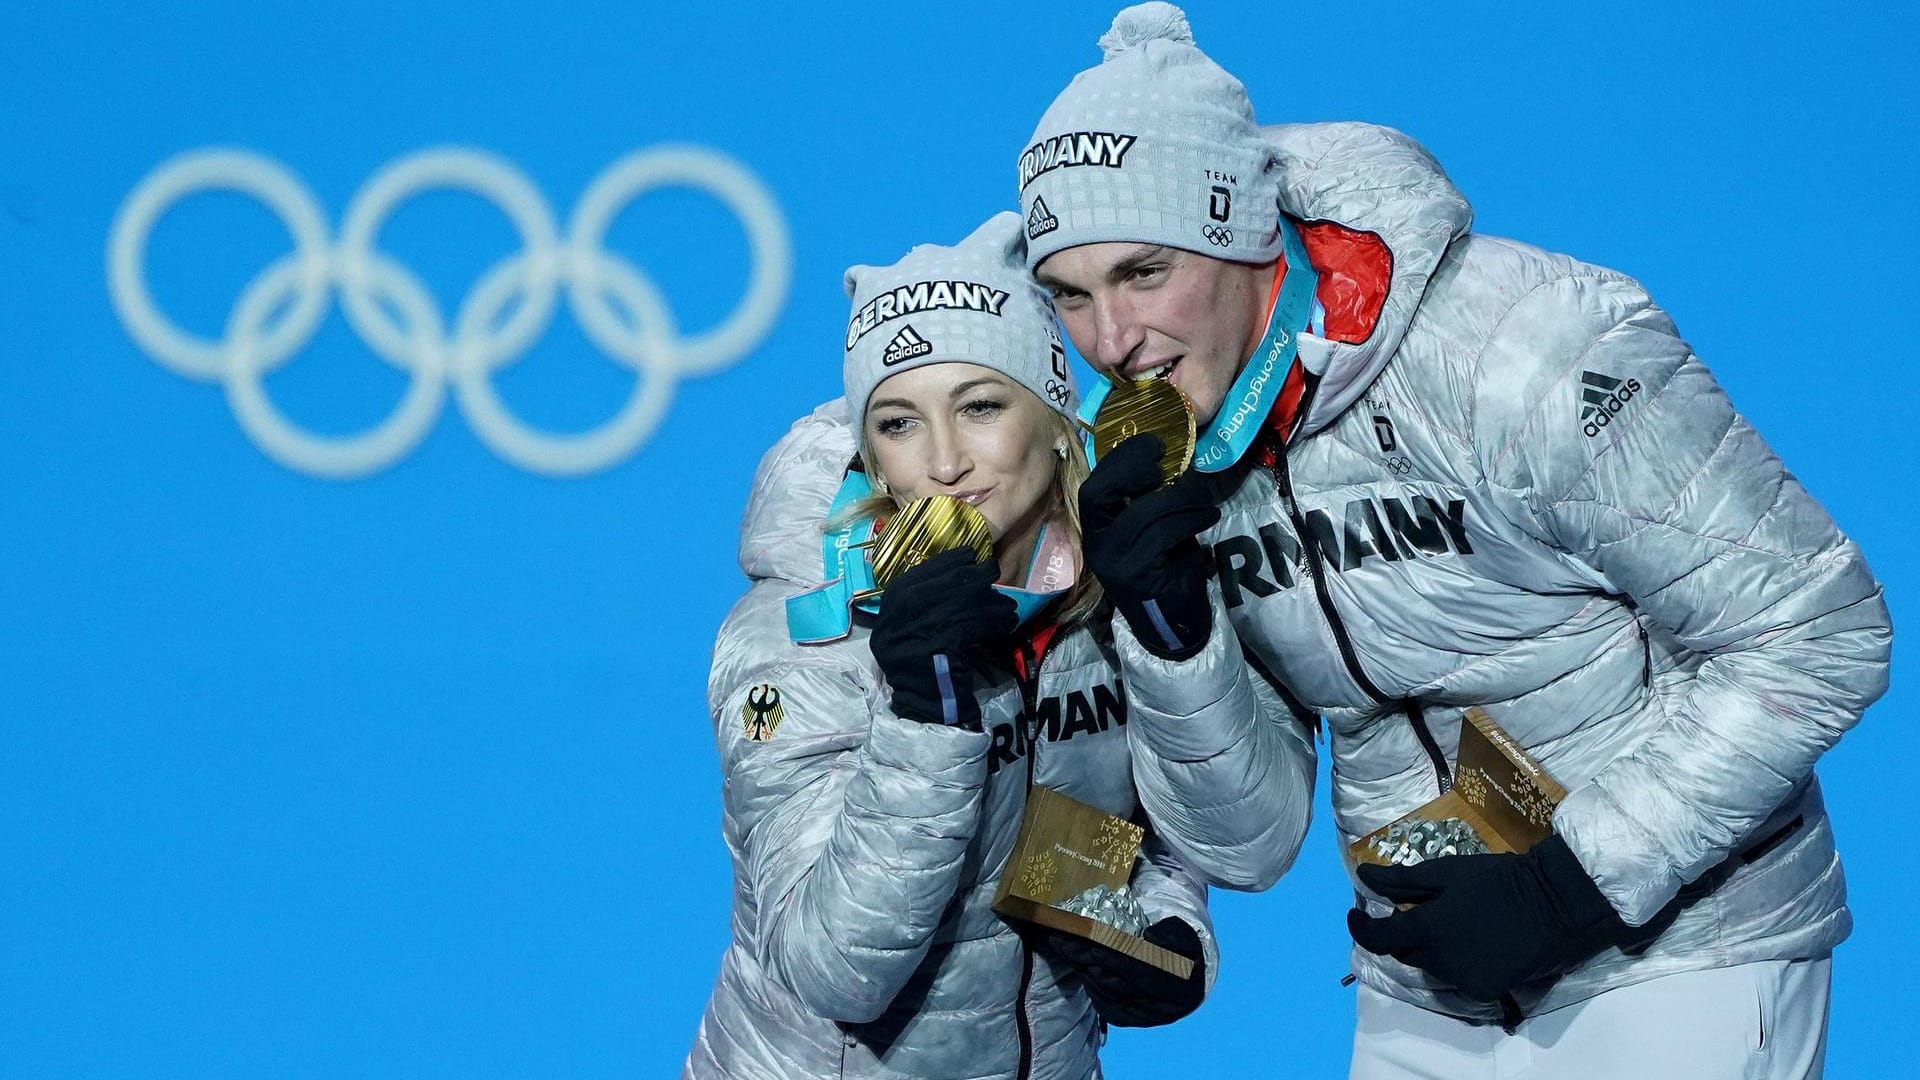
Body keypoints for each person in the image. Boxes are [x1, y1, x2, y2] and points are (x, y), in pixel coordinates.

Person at [1013, 4, 1891, 1078]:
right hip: (1433, 974)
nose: (1113, 344)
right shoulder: (1166, 446)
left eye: (1145, 273)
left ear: (1242, 236)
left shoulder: (1521, 347)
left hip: (1683, 946)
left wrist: (1575, 881)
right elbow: (1251, 841)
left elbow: (1818, 628)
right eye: (1070, 296)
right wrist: (1171, 632)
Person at [684, 212, 1313, 1079]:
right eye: (899, 424)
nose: (944, 462)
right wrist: (926, 720)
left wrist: (1165, 925)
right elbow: (833, 972)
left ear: (1058, 419)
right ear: (871, 455)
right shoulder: (798, 635)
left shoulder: (1119, 575)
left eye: (980, 407)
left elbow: (1225, 841)